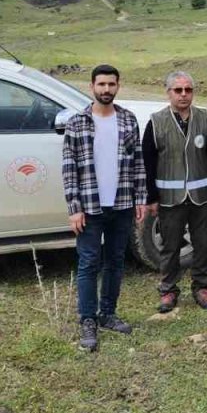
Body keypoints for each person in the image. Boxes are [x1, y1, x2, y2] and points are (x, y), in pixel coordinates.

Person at [61, 64, 148, 352]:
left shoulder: (128, 120)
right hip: (89, 206)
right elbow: (69, 168)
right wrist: (74, 208)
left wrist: (140, 198)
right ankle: (88, 319)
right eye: (101, 84)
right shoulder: (77, 123)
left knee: (115, 261)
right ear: (92, 87)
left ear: (118, 86)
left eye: (111, 84)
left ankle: (108, 313)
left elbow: (138, 163)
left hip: (121, 204)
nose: (106, 89)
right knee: (88, 263)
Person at [142, 72, 207, 313]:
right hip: (170, 199)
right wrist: (151, 197)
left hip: (201, 196)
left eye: (188, 90)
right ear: (168, 92)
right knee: (170, 246)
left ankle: (202, 287)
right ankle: (168, 289)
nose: (183, 94)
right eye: (178, 90)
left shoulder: (204, 118)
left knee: (202, 244)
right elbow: (148, 162)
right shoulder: (156, 122)